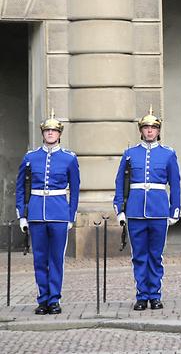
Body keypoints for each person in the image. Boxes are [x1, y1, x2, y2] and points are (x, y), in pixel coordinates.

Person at [113, 106, 181, 310]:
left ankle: (155, 294)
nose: (150, 131)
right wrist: (120, 209)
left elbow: (175, 184)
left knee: (156, 256)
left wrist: (174, 210)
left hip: (159, 210)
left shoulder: (168, 154)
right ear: (141, 131)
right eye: (146, 128)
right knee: (139, 255)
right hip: (135, 211)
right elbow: (120, 183)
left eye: (153, 128)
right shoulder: (130, 154)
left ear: (158, 131)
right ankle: (142, 295)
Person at [15, 110, 80, 315]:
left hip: (59, 213)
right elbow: (21, 188)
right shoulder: (31, 157)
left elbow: (76, 189)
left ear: (59, 134)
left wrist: (71, 215)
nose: (50, 134)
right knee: (39, 259)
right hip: (35, 213)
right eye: (47, 131)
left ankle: (54, 299)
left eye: (54, 131)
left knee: (56, 259)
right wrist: (22, 214)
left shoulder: (69, 158)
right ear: (42, 134)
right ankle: (43, 299)